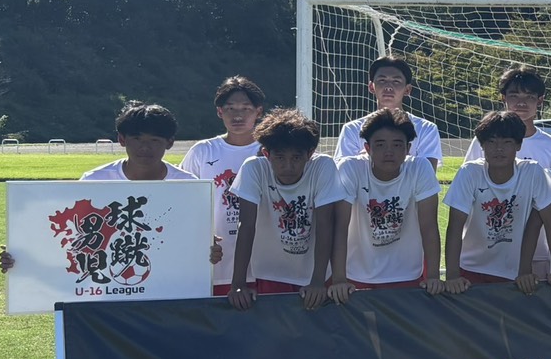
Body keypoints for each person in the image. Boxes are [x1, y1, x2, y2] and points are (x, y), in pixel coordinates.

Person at [0, 102, 205, 274]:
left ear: (169, 142)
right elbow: (70, 234)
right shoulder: (94, 181)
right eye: (137, 139)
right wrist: (22, 252)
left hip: (167, 287)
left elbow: (198, 240)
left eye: (154, 140)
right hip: (106, 289)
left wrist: (209, 250)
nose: (145, 147)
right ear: (122, 139)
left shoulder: (188, 186)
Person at [228, 109, 343, 311]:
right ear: (267, 154)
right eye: (280, 158)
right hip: (270, 273)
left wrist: (317, 281)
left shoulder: (323, 166)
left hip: (314, 274)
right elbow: (246, 225)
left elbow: (326, 224)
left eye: (296, 158)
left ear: (309, 154)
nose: (288, 166)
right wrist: (238, 284)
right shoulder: (254, 168)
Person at [443, 112, 551, 295]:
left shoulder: (532, 172)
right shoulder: (470, 172)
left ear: (518, 145)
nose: (499, 148)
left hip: (514, 274)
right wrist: (452, 275)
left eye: (507, 142)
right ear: (482, 145)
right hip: (469, 269)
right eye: (491, 142)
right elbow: (455, 226)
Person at [329, 108, 442, 299]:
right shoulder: (350, 168)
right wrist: (339, 278)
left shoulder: (420, 168)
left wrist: (432, 276)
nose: (389, 152)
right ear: (367, 148)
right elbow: (339, 226)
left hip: (407, 273)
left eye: (397, 145)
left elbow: (429, 226)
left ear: (408, 148)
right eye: (380, 145)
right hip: (356, 273)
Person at [181, 77, 266, 296]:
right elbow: (184, 202)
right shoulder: (202, 151)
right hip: (215, 263)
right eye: (230, 109)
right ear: (220, 112)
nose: (238, 115)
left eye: (246, 108)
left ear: (258, 112)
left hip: (264, 265)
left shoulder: (271, 151)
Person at [335, 56, 442, 174]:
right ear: (371, 86)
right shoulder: (351, 129)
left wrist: (370, 159)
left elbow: (427, 174)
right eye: (382, 80)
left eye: (396, 81)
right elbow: (343, 174)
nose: (388, 87)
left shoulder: (426, 129)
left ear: (407, 89)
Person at [463, 65, 551, 170]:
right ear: (504, 98)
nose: (521, 103)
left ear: (540, 100)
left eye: (529, 97)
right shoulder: (485, 140)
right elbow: (469, 174)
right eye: (514, 96)